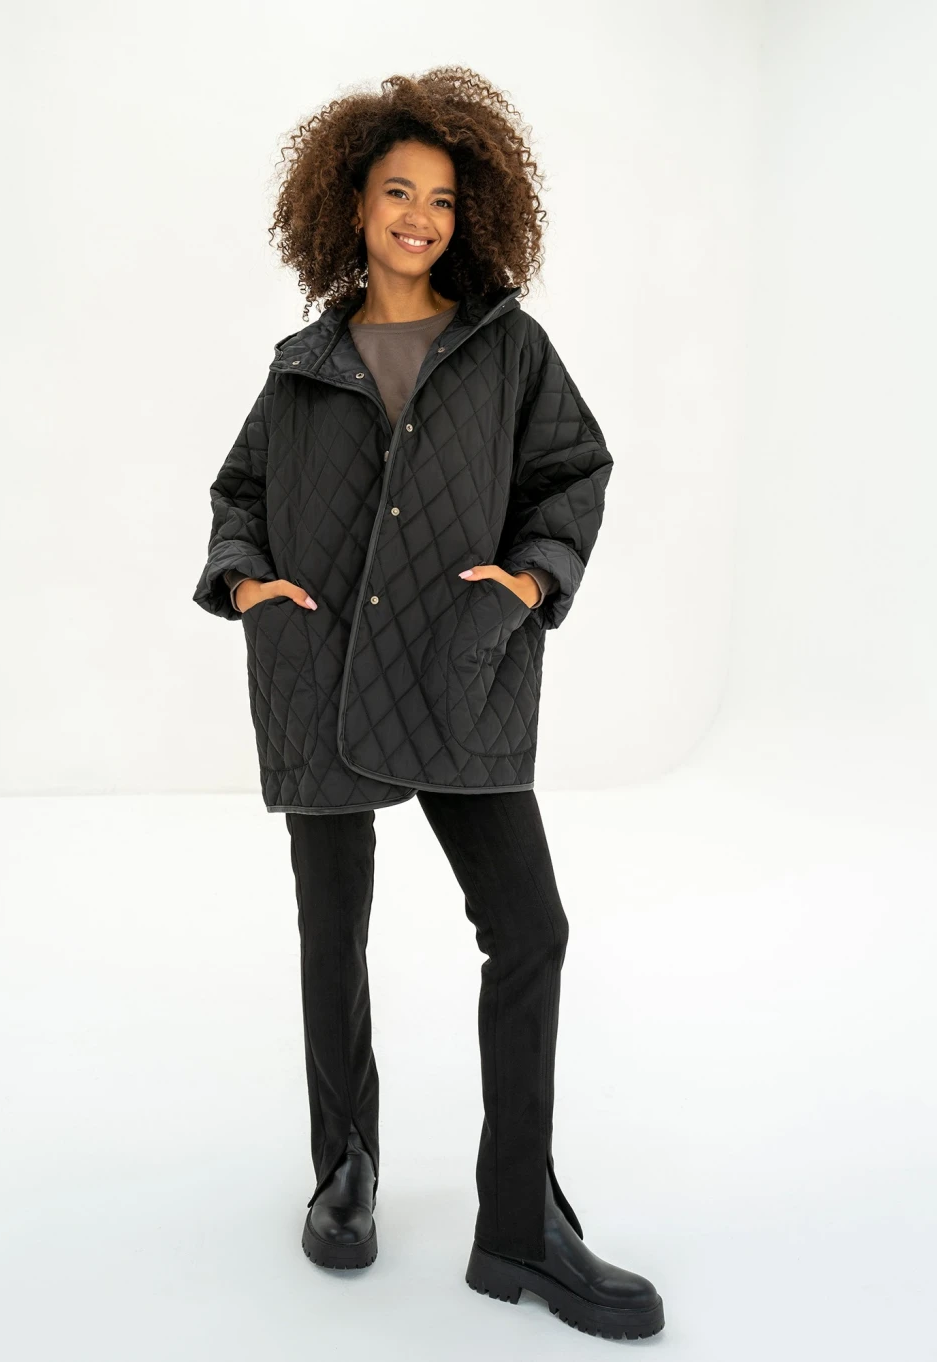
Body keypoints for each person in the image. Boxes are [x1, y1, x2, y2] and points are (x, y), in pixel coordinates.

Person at [192, 65, 665, 1341]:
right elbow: (238, 495)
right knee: (331, 932)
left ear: (471, 215)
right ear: (352, 204)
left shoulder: (506, 345)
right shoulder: (302, 365)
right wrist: (247, 587)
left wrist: (531, 581)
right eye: (398, 192)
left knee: (530, 929)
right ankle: (344, 1173)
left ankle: (519, 1226)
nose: (420, 217)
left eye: (444, 199)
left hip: (461, 665)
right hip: (319, 667)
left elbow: (574, 469)